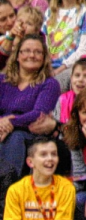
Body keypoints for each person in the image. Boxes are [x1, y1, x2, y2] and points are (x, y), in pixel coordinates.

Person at [0, 34, 60, 178]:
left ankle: (8, 188)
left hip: (28, 134)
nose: (31, 55)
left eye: (38, 52)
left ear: (44, 57)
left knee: (15, 137)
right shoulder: (2, 80)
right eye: (26, 50)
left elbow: (38, 114)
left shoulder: (49, 84)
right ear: (17, 55)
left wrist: (10, 122)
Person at [5, 136, 75, 220]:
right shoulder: (15, 190)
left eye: (54, 154)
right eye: (43, 154)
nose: (50, 158)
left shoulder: (66, 187)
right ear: (30, 162)